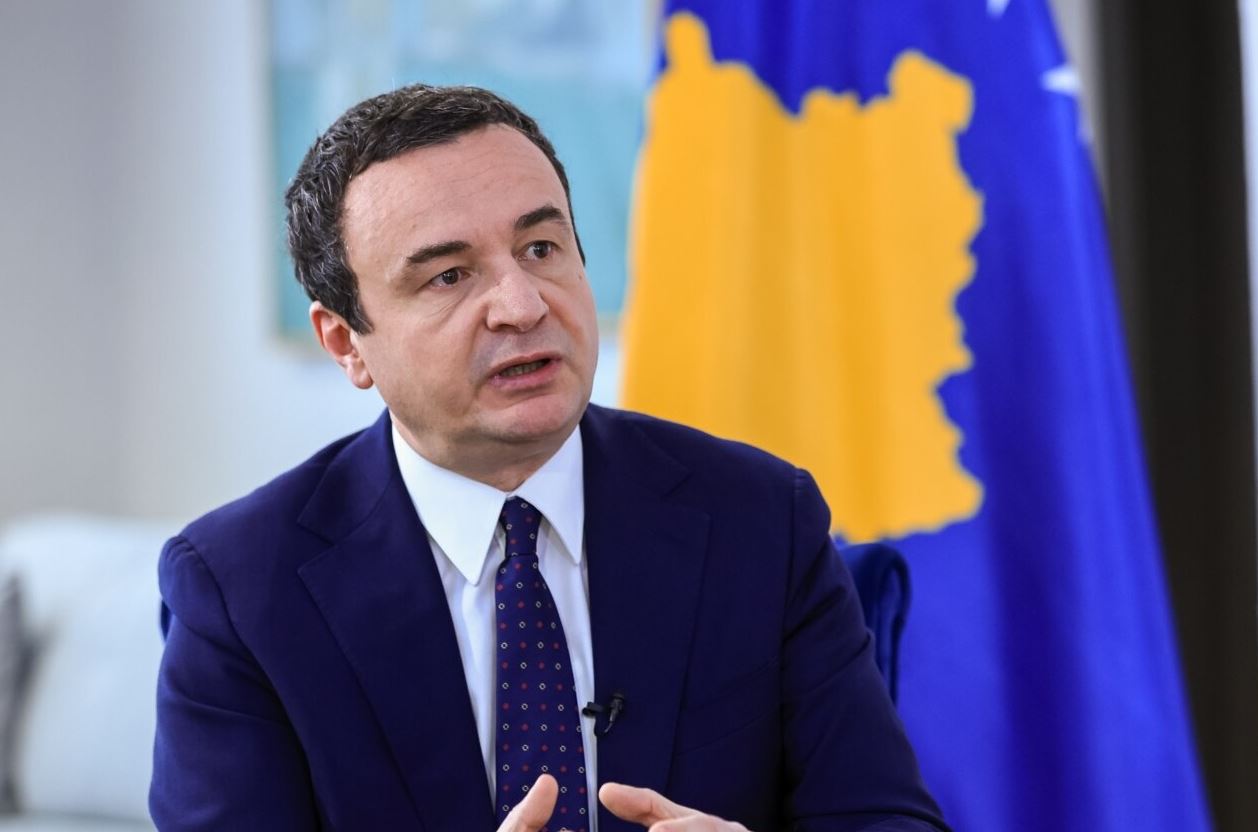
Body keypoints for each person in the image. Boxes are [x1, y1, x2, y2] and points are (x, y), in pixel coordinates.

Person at [149, 84, 948, 832]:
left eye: (540, 248)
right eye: (450, 276)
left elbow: (886, 819)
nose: (523, 305)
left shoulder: (760, 519)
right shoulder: (242, 590)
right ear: (346, 343)